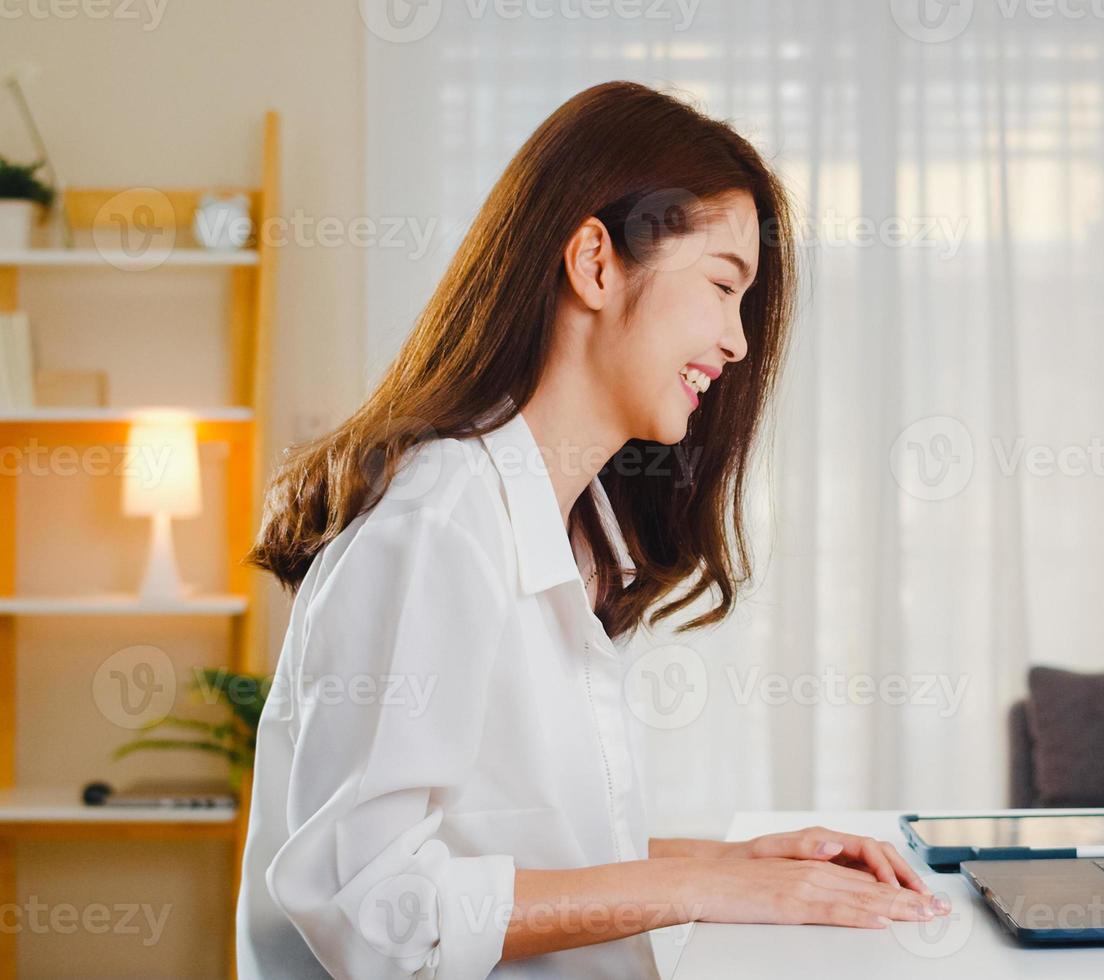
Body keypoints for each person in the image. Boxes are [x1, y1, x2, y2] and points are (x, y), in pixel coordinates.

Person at [235, 82, 944, 980]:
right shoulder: (436, 527)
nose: (737, 343)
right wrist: (697, 889)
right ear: (596, 263)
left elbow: (512, 850)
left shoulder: (562, 523)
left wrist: (724, 863)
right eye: (724, 286)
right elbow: (377, 911)